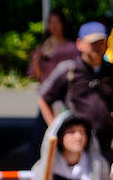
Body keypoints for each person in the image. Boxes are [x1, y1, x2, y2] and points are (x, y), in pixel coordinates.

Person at [37, 22, 113, 154]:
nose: (97, 47)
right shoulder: (68, 70)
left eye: (101, 42)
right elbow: (43, 98)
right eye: (92, 42)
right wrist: (55, 128)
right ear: (80, 44)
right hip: (77, 144)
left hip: (108, 142)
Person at [29, 113, 113, 180]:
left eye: (82, 132)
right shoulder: (44, 168)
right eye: (72, 132)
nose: (78, 137)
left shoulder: (98, 165)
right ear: (59, 138)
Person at [28, 9, 78, 142]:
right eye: (51, 22)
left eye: (57, 22)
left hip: (64, 99)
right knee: (41, 137)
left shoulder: (72, 48)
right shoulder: (44, 48)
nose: (54, 26)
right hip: (46, 98)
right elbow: (38, 77)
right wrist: (36, 61)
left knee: (63, 134)